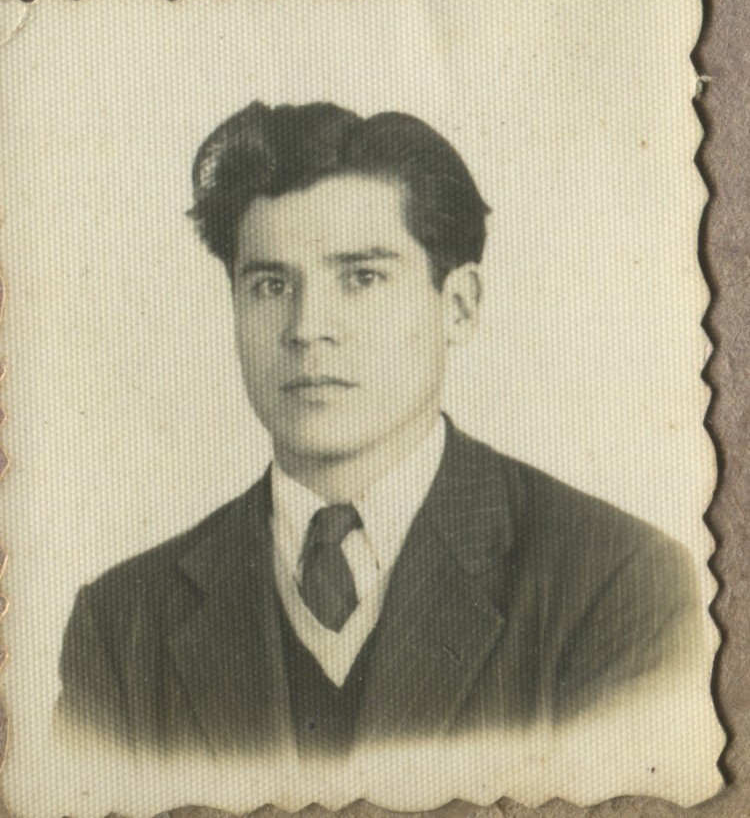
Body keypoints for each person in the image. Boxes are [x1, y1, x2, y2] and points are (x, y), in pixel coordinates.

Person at [57, 101, 701, 759]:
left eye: (362, 277)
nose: (308, 328)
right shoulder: (121, 623)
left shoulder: (615, 583)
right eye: (271, 285)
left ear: (458, 306)